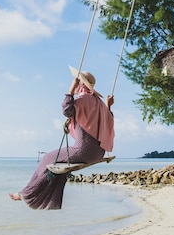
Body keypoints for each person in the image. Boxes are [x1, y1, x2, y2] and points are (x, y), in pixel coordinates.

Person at [9, 66, 115, 210]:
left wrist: (71, 89)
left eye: (78, 82)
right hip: (98, 153)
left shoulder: (83, 99)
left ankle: (26, 194)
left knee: (47, 158)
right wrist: (108, 107)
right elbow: (109, 121)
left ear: (81, 84)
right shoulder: (101, 105)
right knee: (58, 168)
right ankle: (44, 198)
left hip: (83, 151)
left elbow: (67, 110)